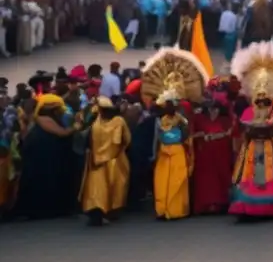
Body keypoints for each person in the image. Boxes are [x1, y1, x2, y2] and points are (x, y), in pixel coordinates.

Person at [229, 41, 273, 219]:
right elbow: (240, 129)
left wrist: (272, 128)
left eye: (265, 101)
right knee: (249, 174)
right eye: (258, 101)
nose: (261, 104)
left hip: (270, 149)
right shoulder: (247, 111)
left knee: (269, 175)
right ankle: (248, 206)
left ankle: (269, 206)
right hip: (252, 148)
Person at [140, 47, 208, 220]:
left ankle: (176, 210)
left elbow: (186, 135)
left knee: (177, 182)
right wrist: (154, 153)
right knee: (162, 182)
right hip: (164, 153)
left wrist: (185, 149)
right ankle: (162, 209)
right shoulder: (159, 118)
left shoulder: (181, 117)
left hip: (177, 152)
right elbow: (157, 136)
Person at [13, 93, 76, 219]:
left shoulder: (42, 119)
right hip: (42, 160)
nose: (60, 112)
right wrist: (76, 127)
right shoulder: (44, 119)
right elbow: (62, 133)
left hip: (43, 159)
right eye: (57, 109)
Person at [79, 96, 131, 226]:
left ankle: (98, 212)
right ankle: (110, 212)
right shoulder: (119, 121)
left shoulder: (94, 124)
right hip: (115, 160)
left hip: (96, 162)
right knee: (114, 187)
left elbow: (86, 139)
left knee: (96, 188)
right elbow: (127, 140)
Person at [191, 96, 235, 214]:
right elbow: (191, 135)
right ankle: (206, 204)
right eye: (210, 109)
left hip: (221, 153)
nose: (213, 111)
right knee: (206, 180)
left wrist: (221, 135)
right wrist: (201, 135)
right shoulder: (199, 118)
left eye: (215, 109)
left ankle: (221, 203)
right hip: (204, 153)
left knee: (222, 176)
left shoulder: (224, 120)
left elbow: (231, 133)